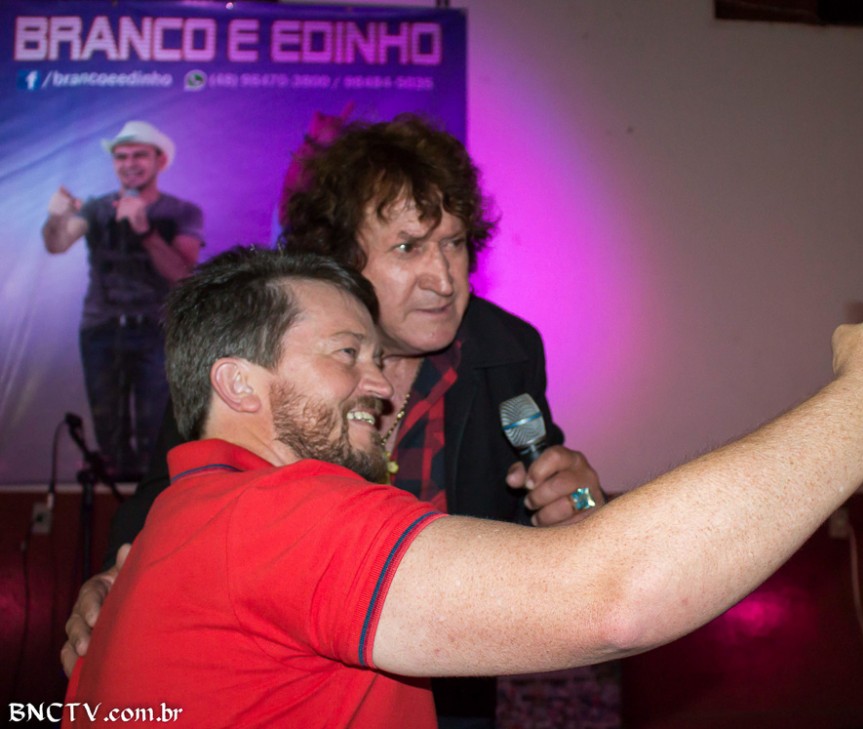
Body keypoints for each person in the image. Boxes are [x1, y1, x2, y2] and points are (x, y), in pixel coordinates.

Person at [63, 246, 863, 728]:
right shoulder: (273, 512)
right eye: (347, 354)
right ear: (237, 383)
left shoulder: (187, 516)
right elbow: (612, 595)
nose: (381, 383)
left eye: (378, 357)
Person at [61, 115, 602, 727]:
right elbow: (170, 503)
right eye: (408, 247)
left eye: (455, 243)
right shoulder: (259, 357)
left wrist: (578, 504)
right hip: (286, 689)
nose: (445, 278)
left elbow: (540, 502)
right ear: (340, 257)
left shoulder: (507, 351)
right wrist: (110, 586)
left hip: (450, 690)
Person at [42, 120, 203, 479]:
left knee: (155, 435)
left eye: (139, 155)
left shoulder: (181, 212)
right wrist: (54, 218)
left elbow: (182, 275)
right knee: (110, 438)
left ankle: (151, 508)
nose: (129, 163)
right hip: (101, 330)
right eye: (121, 156)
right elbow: (57, 244)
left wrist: (145, 230)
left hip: (156, 331)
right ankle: (116, 510)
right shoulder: (96, 209)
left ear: (160, 160)